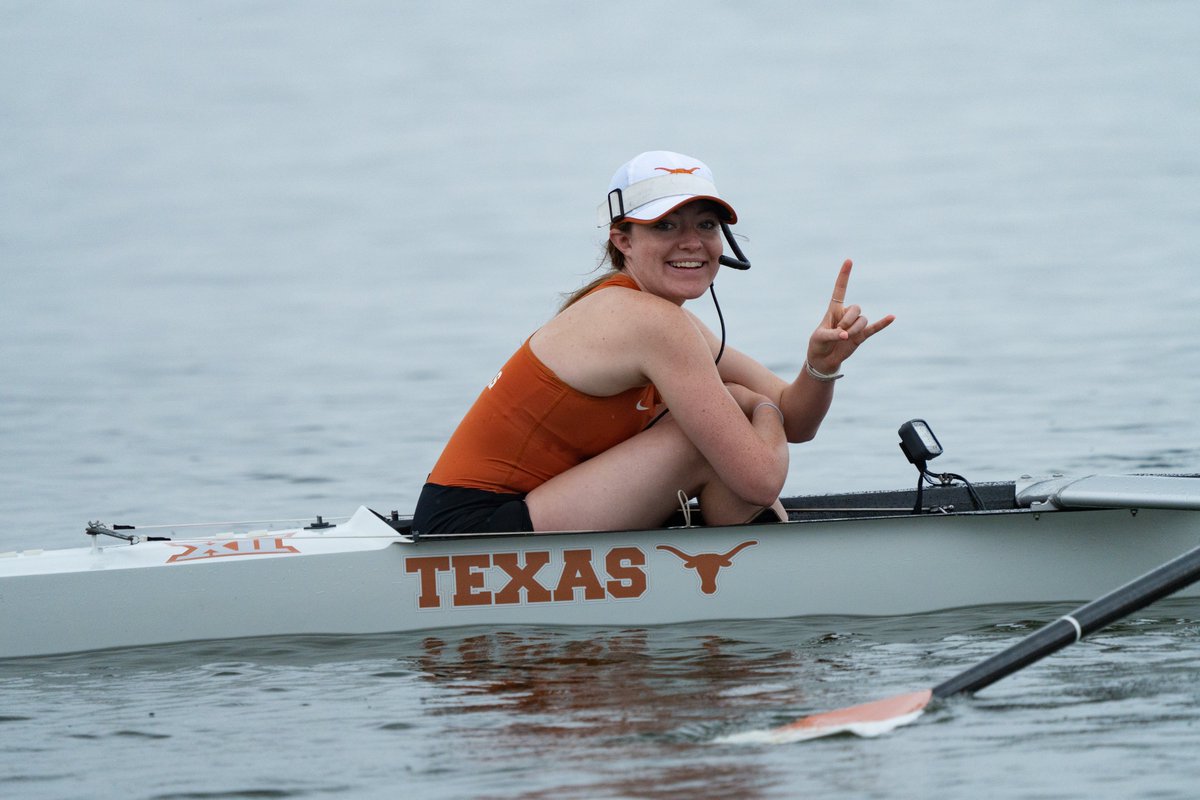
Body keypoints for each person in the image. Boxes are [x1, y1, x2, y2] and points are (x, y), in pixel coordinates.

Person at [412, 150, 894, 535]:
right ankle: (768, 579)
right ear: (622, 240)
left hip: (516, 513)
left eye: (706, 224)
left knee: (727, 419)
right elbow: (762, 477)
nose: (692, 242)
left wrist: (820, 367)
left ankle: (749, 581)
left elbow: (799, 420)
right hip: (471, 532)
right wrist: (757, 407)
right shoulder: (651, 324)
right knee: (714, 428)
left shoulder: (660, 320)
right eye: (665, 225)